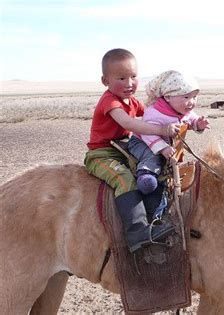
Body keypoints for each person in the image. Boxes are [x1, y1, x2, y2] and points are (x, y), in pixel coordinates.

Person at [84, 48, 179, 253]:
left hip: (123, 150)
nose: (129, 83)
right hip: (102, 154)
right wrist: (161, 130)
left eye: (133, 76)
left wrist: (185, 118)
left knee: (153, 168)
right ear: (105, 81)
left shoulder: (133, 101)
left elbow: (153, 115)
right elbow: (130, 123)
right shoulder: (110, 102)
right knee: (123, 179)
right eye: (121, 78)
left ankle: (156, 217)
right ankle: (136, 232)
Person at [127, 70, 210, 219]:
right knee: (154, 159)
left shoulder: (183, 111)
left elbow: (192, 120)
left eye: (194, 97)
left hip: (167, 145)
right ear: (168, 97)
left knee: (172, 167)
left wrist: (199, 124)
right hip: (142, 142)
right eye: (186, 97)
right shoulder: (154, 113)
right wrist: (163, 148)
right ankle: (146, 176)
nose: (192, 102)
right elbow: (147, 133)